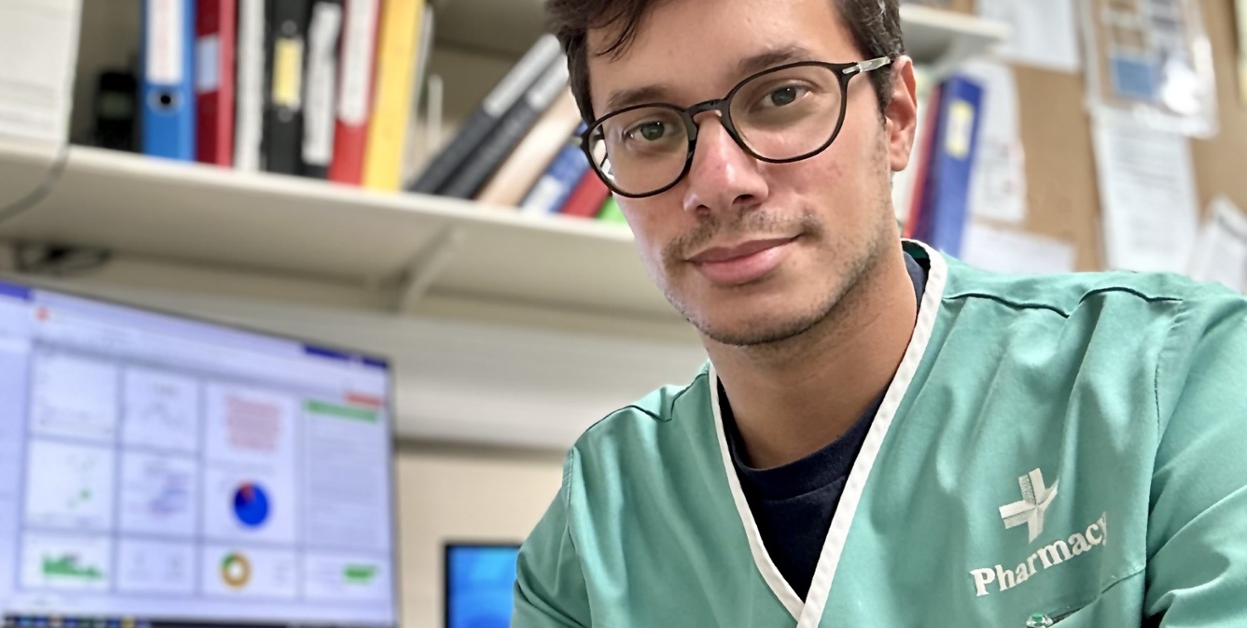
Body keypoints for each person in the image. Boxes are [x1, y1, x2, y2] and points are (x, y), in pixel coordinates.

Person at [512, 0, 1247, 625]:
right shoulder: (596, 525)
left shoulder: (1180, 382)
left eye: (778, 96)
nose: (719, 181)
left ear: (896, 116)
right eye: (649, 129)